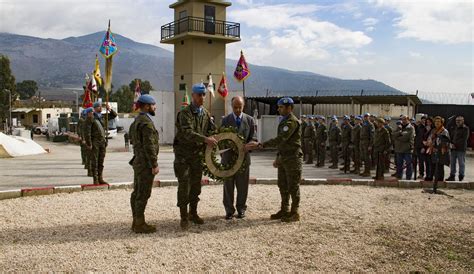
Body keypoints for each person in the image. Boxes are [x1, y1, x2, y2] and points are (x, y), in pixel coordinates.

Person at [174, 83, 216, 229]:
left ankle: (193, 213)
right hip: (183, 156)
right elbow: (187, 133)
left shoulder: (205, 113)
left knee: (196, 186)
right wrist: (205, 139)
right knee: (184, 185)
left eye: (204, 95)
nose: (202, 97)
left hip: (197, 156)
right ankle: (183, 216)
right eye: (199, 95)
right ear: (193, 95)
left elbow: (211, 130)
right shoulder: (185, 113)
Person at [260, 97, 302, 222]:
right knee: (282, 185)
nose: (279, 109)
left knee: (293, 186)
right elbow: (282, 144)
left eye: (281, 107)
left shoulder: (291, 122)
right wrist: (278, 157)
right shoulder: (284, 121)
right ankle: (285, 210)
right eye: (278, 107)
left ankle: (294, 213)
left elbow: (280, 139)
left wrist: (263, 144)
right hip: (284, 157)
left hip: (293, 158)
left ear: (289, 108)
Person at [221, 96, 257, 220]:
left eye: (239, 107)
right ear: (232, 106)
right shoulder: (225, 120)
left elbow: (254, 138)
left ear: (243, 106)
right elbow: (221, 139)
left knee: (242, 186)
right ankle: (229, 210)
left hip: (243, 159)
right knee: (228, 186)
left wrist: (249, 145)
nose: (237, 110)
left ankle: (241, 209)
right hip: (228, 159)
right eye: (235, 107)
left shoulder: (250, 120)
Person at [129, 94, 160, 234]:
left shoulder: (136, 121)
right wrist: (154, 164)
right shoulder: (146, 123)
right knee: (143, 193)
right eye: (153, 105)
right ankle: (140, 224)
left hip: (138, 161)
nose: (155, 107)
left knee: (137, 192)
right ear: (147, 106)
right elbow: (149, 146)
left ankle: (136, 221)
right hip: (145, 164)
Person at [84, 102, 117, 185]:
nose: (100, 108)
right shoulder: (91, 117)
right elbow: (87, 131)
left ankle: (100, 178)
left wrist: (109, 109)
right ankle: (95, 179)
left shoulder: (102, 117)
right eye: (98, 106)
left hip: (102, 142)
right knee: (95, 161)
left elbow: (114, 115)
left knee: (101, 161)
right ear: (94, 108)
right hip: (95, 142)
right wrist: (89, 143)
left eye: (101, 106)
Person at [447, 116, 469, 181]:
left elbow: (464, 139)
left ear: (463, 121)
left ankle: (461, 176)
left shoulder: (465, 129)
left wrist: (455, 145)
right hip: (453, 149)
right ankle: (452, 175)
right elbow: (452, 137)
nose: (457, 122)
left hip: (461, 149)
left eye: (459, 120)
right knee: (452, 163)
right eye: (456, 121)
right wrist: (451, 144)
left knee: (461, 163)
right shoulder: (454, 128)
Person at [429, 116, 450, 186]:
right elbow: (430, 139)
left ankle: (440, 181)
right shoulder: (433, 130)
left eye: (438, 122)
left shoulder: (444, 131)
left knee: (440, 166)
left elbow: (446, 141)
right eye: (435, 122)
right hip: (434, 150)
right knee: (433, 165)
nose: (437, 123)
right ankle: (434, 178)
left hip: (441, 151)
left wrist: (440, 148)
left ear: (441, 123)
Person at [392, 115, 415, 180]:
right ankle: (399, 176)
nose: (403, 120)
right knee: (399, 164)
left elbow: (406, 138)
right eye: (402, 119)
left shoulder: (411, 128)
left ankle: (408, 177)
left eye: (405, 119)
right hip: (399, 148)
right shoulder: (399, 127)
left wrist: (398, 137)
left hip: (407, 149)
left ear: (407, 119)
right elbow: (393, 135)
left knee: (408, 164)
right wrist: (400, 133)